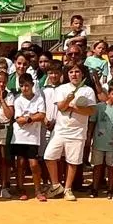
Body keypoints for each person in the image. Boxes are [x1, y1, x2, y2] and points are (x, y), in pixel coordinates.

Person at [45, 62, 96, 200]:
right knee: (49, 156)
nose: (74, 74)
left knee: (73, 161)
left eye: (77, 72)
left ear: (82, 74)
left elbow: (91, 110)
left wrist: (73, 108)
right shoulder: (61, 89)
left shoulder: (88, 91)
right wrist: (68, 100)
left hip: (78, 131)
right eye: (71, 72)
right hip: (60, 130)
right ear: (67, 74)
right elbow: (61, 107)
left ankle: (68, 189)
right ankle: (56, 185)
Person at [9, 71, 47, 201]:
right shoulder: (18, 100)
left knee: (34, 165)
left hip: (33, 138)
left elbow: (42, 115)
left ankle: (38, 190)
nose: (24, 88)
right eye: (22, 86)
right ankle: (20, 188)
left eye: (26, 85)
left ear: (32, 85)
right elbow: (19, 120)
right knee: (20, 164)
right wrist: (32, 117)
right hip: (19, 137)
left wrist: (28, 118)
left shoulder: (39, 99)